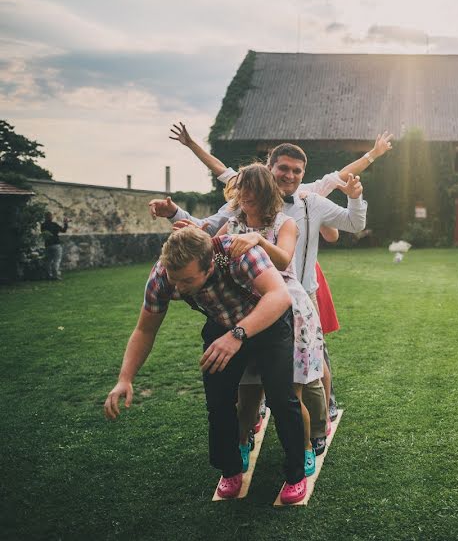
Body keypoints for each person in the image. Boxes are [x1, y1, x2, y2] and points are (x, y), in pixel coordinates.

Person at [149, 129, 381, 452]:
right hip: (251, 302)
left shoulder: (309, 201)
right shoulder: (243, 201)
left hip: (301, 295)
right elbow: (208, 225)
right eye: (282, 168)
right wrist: (176, 213)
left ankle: (320, 421)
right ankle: (252, 423)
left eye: (296, 170)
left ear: (302, 174)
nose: (289, 175)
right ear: (269, 167)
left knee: (312, 369)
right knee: (255, 374)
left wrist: (355, 194)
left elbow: (353, 223)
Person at [104, 226, 310, 504]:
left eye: (187, 280)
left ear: (210, 263)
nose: (178, 288)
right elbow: (145, 330)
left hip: (268, 321)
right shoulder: (163, 276)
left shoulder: (240, 254)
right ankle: (230, 469)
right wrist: (124, 378)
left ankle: (296, 474)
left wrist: (238, 335)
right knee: (218, 401)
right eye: (175, 280)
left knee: (282, 399)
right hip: (222, 323)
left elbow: (279, 296)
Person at [212, 163, 325, 479]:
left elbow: (284, 258)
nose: (244, 196)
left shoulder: (284, 223)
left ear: (264, 192)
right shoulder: (232, 223)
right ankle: (242, 441)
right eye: (241, 190)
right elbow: (212, 253)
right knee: (246, 394)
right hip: (247, 312)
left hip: (286, 310)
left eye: (251, 191)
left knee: (289, 393)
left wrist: (257, 241)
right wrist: (193, 239)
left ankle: (302, 450)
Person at [41, 212, 68, 280]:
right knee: (57, 260)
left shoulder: (43, 225)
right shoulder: (54, 224)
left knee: (48, 261)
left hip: (47, 245)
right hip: (56, 244)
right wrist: (65, 223)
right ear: (51, 217)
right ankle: (55, 275)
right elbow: (64, 230)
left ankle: (48, 275)